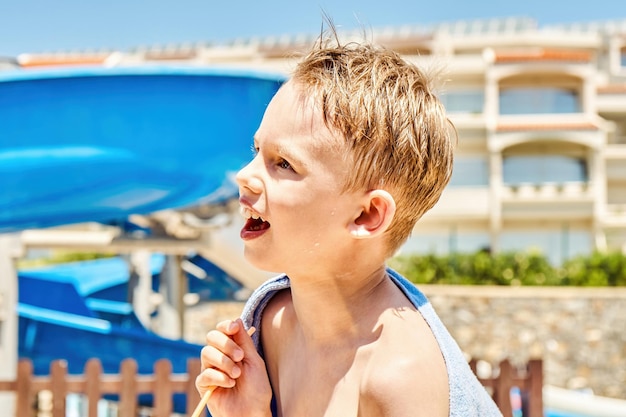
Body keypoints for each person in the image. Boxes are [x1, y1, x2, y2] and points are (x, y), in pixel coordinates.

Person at [195, 27, 503, 417]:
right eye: (257, 151)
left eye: (284, 164)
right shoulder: (271, 324)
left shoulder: (400, 380)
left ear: (367, 215)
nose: (245, 175)